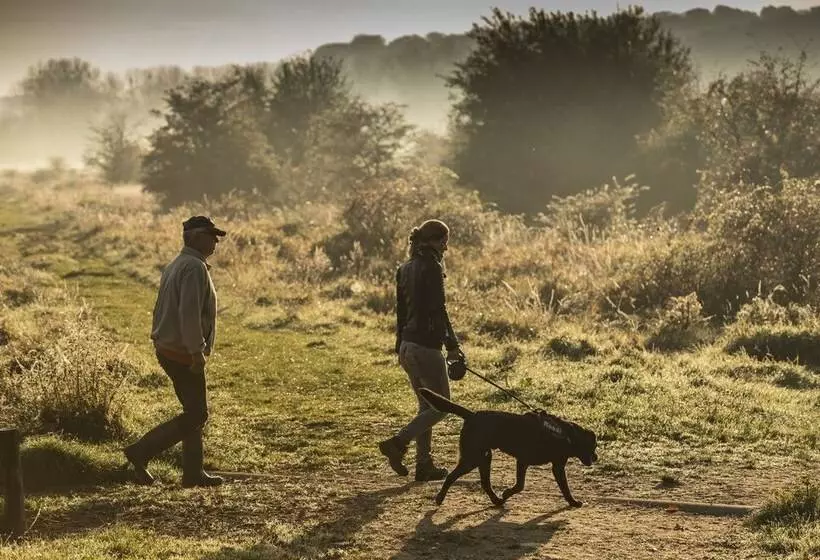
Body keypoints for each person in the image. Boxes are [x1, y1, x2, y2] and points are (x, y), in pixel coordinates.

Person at [123, 215, 226, 488]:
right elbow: (188, 314)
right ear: (194, 237)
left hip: (169, 347)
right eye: (210, 235)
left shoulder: (179, 263)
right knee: (197, 414)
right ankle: (140, 452)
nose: (215, 241)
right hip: (182, 351)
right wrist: (196, 353)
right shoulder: (193, 267)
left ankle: (193, 473)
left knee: (192, 411)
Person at [379, 219, 465, 482]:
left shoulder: (404, 268)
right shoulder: (432, 267)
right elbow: (439, 310)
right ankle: (398, 442)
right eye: (444, 242)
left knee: (425, 407)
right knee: (441, 408)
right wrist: (452, 346)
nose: (446, 248)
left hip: (407, 346)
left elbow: (400, 312)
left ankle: (424, 465)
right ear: (436, 241)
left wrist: (399, 346)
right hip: (426, 347)